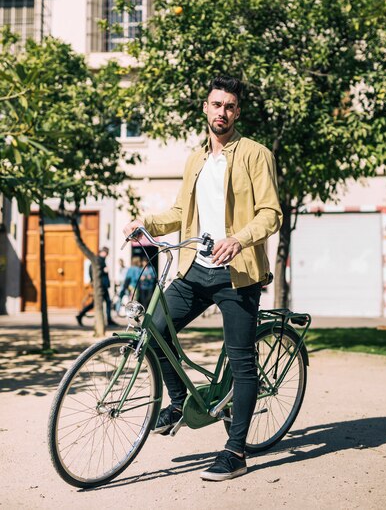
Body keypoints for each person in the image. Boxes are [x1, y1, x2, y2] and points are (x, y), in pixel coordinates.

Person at [123, 74, 282, 481]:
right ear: (205, 109)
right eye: (216, 104)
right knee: (155, 331)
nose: (222, 112)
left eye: (229, 106)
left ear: (237, 112)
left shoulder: (255, 154)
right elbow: (181, 213)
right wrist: (147, 224)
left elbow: (270, 213)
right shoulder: (195, 160)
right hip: (195, 270)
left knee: (243, 362)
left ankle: (235, 451)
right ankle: (178, 404)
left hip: (238, 274)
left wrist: (239, 239)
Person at [76, 247, 117, 327]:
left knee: (99, 303)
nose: (106, 255)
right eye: (106, 253)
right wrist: (103, 271)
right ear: (102, 252)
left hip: (102, 285)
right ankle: (108, 320)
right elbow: (93, 272)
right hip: (101, 286)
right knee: (104, 302)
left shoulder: (101, 260)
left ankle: (80, 315)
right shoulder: (98, 260)